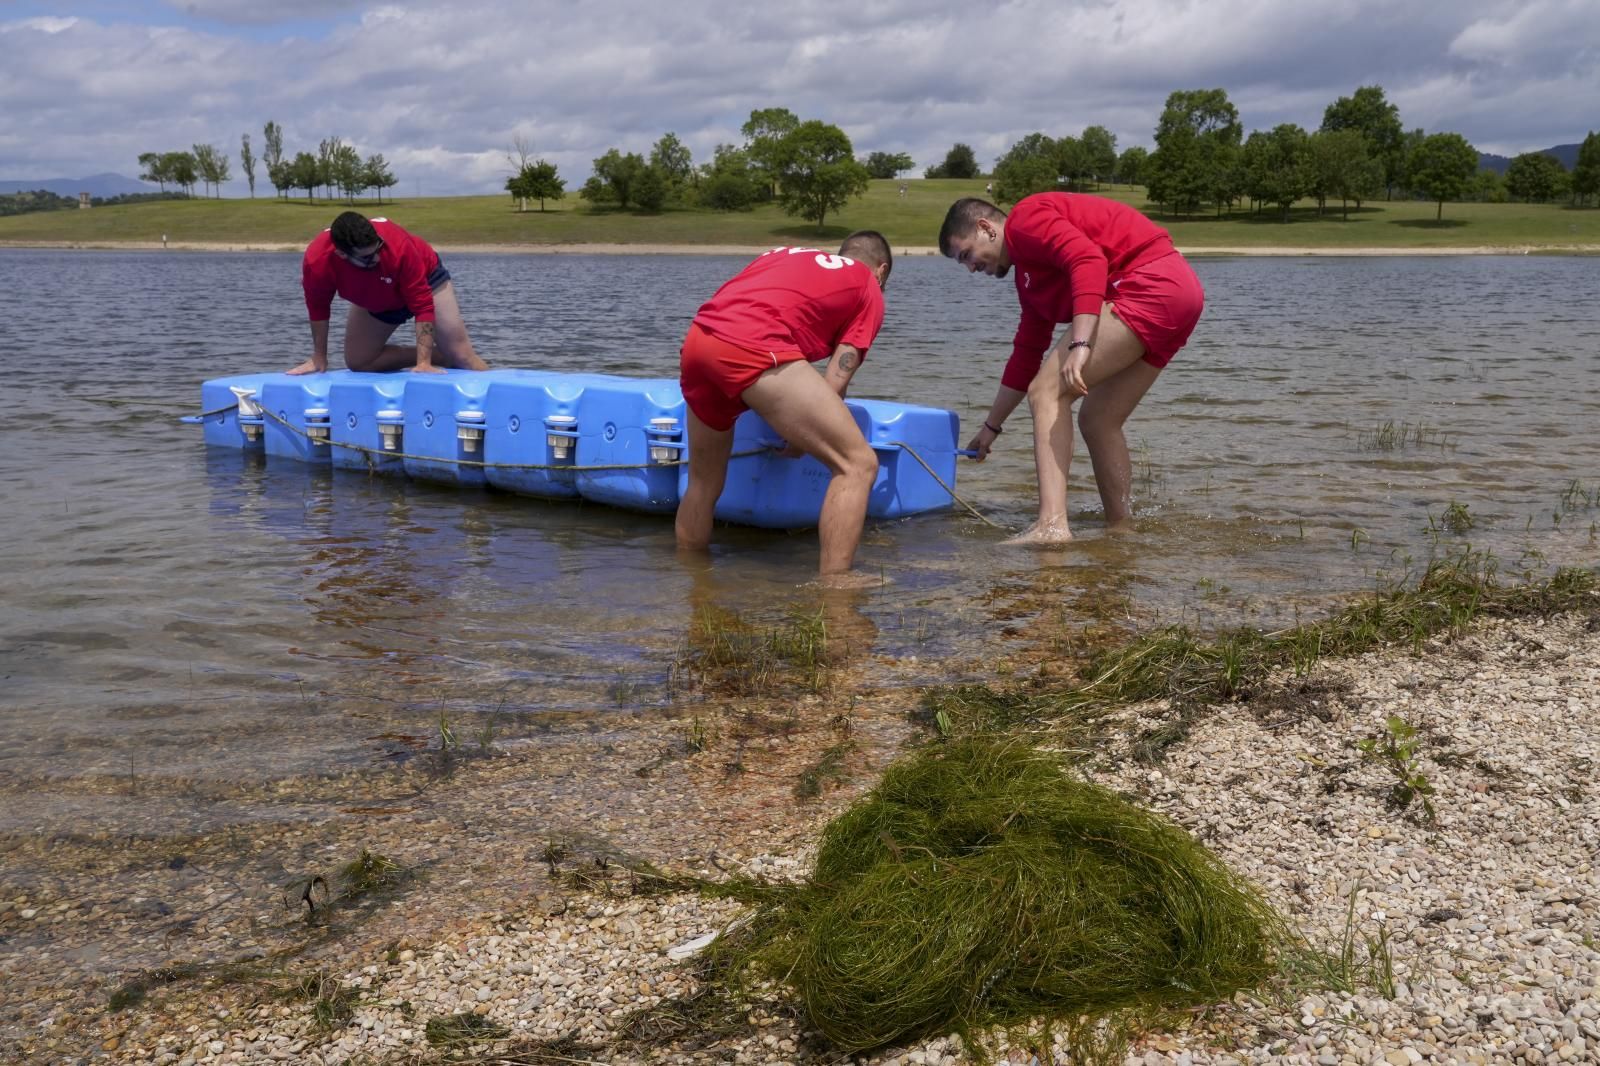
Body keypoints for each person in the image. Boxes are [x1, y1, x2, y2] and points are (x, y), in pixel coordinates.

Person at [939, 193, 1204, 543]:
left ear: (986, 228)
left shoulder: (1026, 220)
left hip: (1151, 282)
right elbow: (1026, 353)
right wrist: (992, 427)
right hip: (1179, 293)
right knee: (1098, 419)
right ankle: (1121, 529)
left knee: (1046, 391)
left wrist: (1081, 343)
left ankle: (1052, 526)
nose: (972, 268)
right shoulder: (1029, 279)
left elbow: (1087, 258)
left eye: (966, 255)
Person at [675, 232, 893, 583]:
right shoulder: (868, 286)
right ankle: (837, 585)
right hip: (753, 344)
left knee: (703, 481)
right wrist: (803, 436)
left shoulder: (788, 255)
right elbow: (838, 375)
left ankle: (692, 579)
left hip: (700, 340)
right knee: (858, 464)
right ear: (881, 271)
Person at [290, 211, 488, 375]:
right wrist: (319, 357)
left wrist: (423, 363)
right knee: (359, 361)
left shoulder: (398, 245)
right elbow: (318, 307)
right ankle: (441, 356)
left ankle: (459, 365)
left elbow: (423, 303)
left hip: (427, 280)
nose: (376, 258)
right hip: (378, 295)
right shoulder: (317, 261)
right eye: (367, 258)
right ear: (341, 254)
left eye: (378, 249)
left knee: (461, 356)